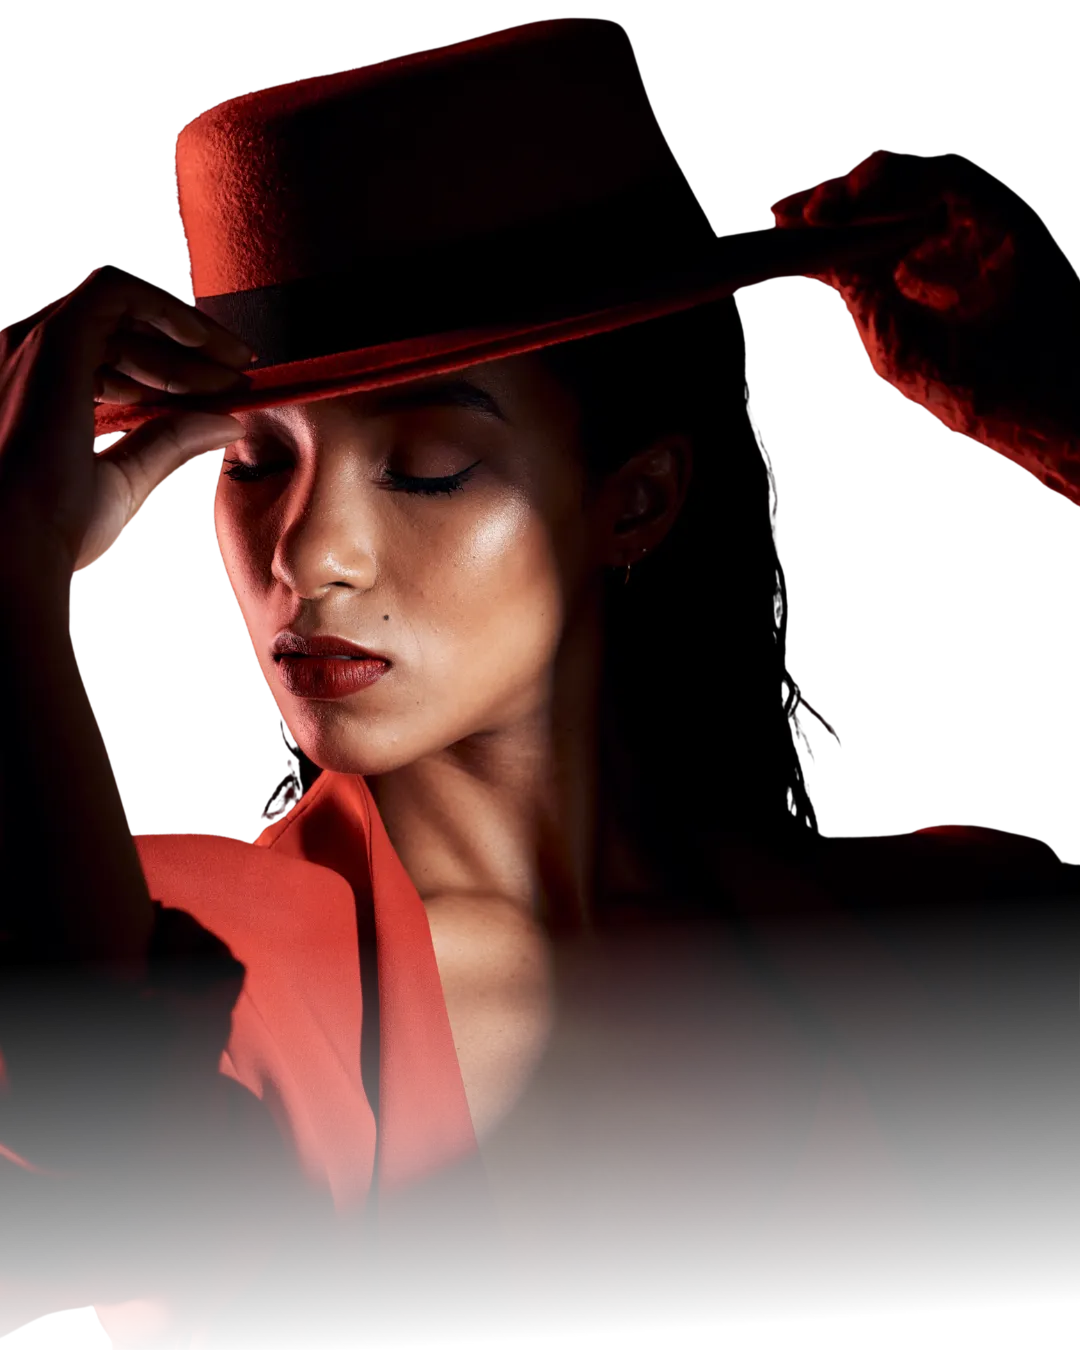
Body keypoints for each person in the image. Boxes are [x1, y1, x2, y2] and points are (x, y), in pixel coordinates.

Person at [0, 16, 1070, 1347]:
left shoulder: (961, 937)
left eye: (426, 464)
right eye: (253, 461)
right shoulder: (174, 949)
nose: (307, 553)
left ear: (637, 500)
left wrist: (1058, 412)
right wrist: (9, 580)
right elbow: (102, 1182)